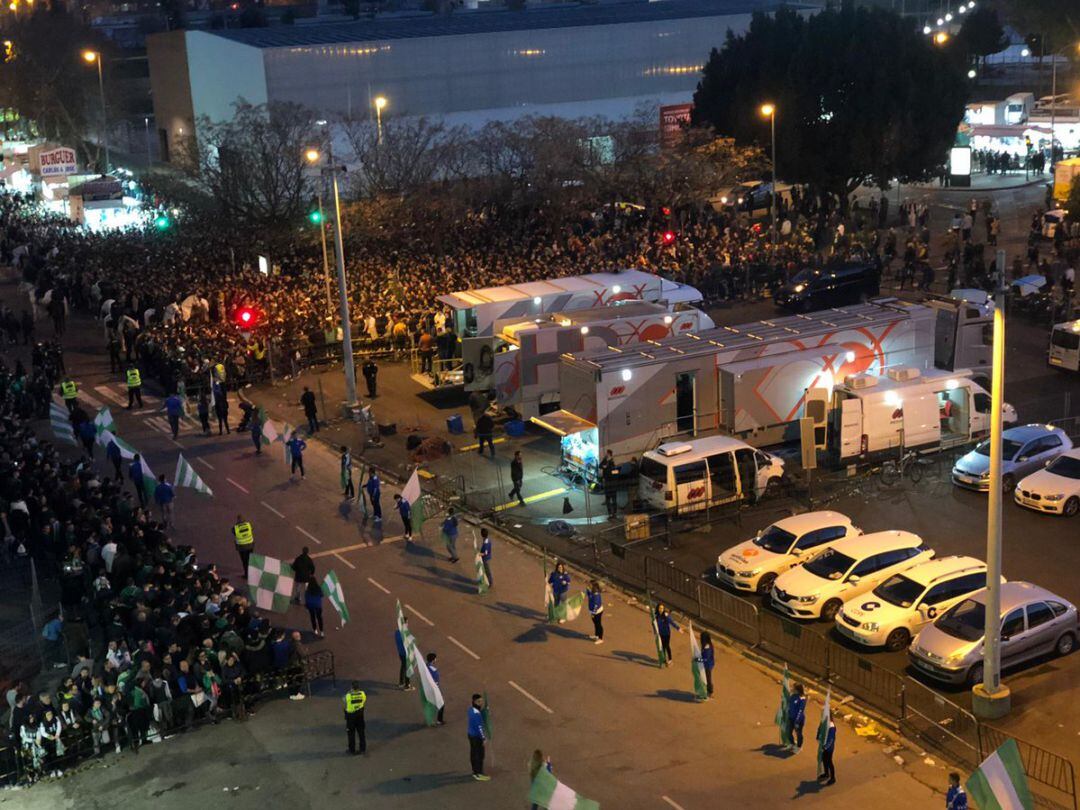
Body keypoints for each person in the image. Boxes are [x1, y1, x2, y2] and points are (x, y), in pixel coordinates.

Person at [467, 694, 489, 781]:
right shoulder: (476, 714)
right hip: (476, 737)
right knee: (479, 755)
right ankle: (478, 773)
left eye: (481, 701)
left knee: (473, 753)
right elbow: (479, 727)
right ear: (474, 702)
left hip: (471, 735)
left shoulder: (471, 710)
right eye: (479, 702)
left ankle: (475, 771)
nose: (481, 703)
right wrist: (483, 738)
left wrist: (485, 711)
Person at [343, 680, 367, 756]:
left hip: (351, 717)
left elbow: (344, 700)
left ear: (352, 687)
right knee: (361, 733)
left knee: (351, 734)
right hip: (360, 716)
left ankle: (352, 750)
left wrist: (350, 692)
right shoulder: (363, 694)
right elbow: (364, 700)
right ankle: (363, 748)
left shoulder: (348, 696)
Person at [786, 683, 807, 753]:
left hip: (798, 720)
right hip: (791, 718)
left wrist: (797, 721)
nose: (792, 689)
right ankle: (792, 743)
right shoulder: (793, 696)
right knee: (788, 731)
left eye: (793, 688)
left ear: (797, 690)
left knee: (798, 733)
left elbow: (800, 711)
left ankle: (799, 747)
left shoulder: (802, 699)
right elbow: (789, 704)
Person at [426, 653, 445, 724]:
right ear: (433, 660)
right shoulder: (434, 670)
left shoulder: (425, 667)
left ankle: (430, 719)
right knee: (441, 704)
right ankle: (439, 720)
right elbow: (436, 681)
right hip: (434, 689)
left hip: (427, 688)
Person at [818, 711, 836, 785]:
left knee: (829, 762)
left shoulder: (831, 726)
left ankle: (833, 778)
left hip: (829, 748)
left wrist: (825, 747)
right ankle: (826, 773)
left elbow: (831, 739)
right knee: (824, 760)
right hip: (824, 746)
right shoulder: (825, 723)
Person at [395, 618, 413, 690]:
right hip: (406, 654)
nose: (408, 624)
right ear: (404, 624)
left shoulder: (397, 632)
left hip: (400, 653)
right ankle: (407, 685)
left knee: (403, 667)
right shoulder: (404, 634)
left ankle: (401, 682)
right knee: (408, 669)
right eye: (407, 623)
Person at [600, 450, 619, 519]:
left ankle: (614, 513)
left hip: (611, 483)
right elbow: (600, 465)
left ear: (609, 454)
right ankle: (611, 514)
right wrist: (604, 466)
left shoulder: (612, 462)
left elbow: (615, 472)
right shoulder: (605, 460)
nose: (606, 454)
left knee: (613, 499)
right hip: (609, 483)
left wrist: (606, 468)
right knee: (608, 499)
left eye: (607, 453)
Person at [586, 580, 604, 644]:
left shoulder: (596, 594)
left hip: (597, 612)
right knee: (595, 624)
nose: (588, 585)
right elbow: (588, 595)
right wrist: (587, 590)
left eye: (590, 585)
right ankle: (596, 635)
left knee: (598, 624)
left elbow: (596, 605)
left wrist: (593, 613)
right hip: (593, 611)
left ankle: (600, 638)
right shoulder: (592, 592)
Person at [700, 631, 715, 699]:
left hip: (707, 665)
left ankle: (710, 692)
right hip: (709, 664)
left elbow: (705, 659)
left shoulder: (707, 648)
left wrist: (697, 660)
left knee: (707, 679)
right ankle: (708, 691)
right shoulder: (709, 645)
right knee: (707, 678)